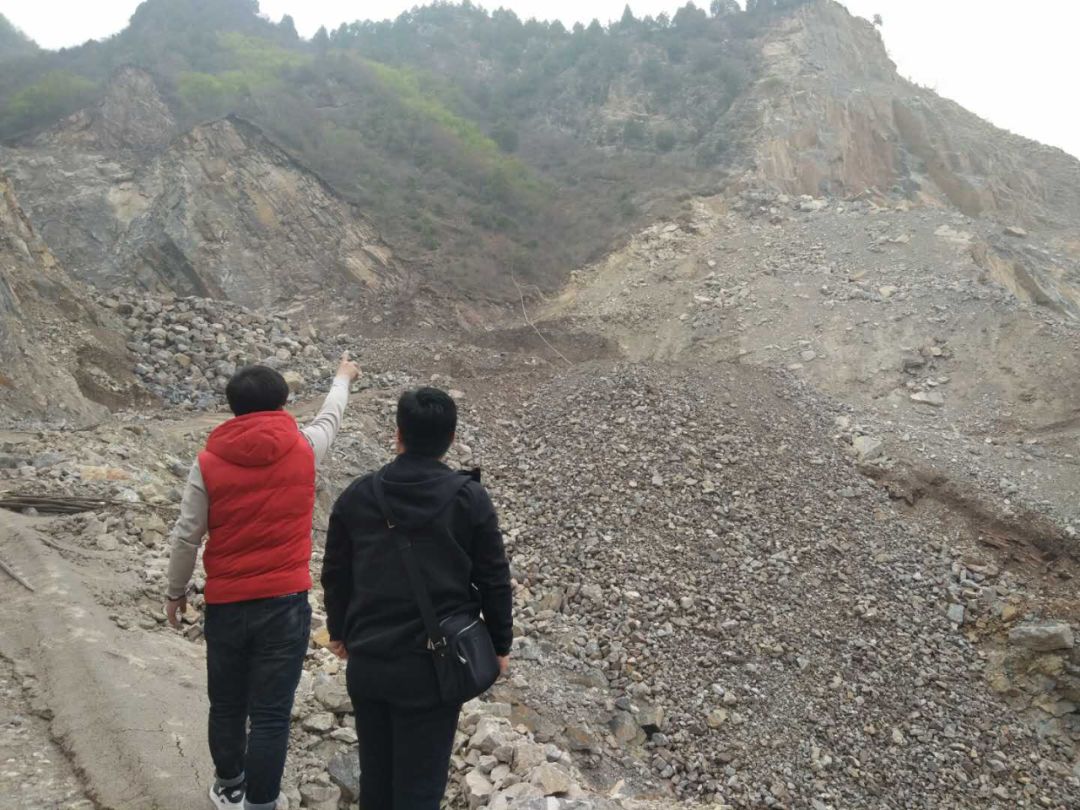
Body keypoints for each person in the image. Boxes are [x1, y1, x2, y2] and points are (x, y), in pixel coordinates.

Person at [164, 353, 361, 810]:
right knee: (271, 715)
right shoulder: (304, 447)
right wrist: (342, 378)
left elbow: (187, 535)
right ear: (283, 404)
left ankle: (229, 786)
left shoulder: (208, 462)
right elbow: (331, 416)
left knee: (227, 704)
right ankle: (262, 804)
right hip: (285, 604)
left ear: (232, 407)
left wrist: (175, 591)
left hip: (227, 604)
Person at [321, 387, 513, 810]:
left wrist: (339, 631)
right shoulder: (469, 498)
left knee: (376, 781)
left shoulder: (358, 495)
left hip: (369, 662)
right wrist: (500, 645)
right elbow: (494, 579)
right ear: (451, 438)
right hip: (434, 668)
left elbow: (335, 572)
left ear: (398, 434)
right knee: (420, 789)